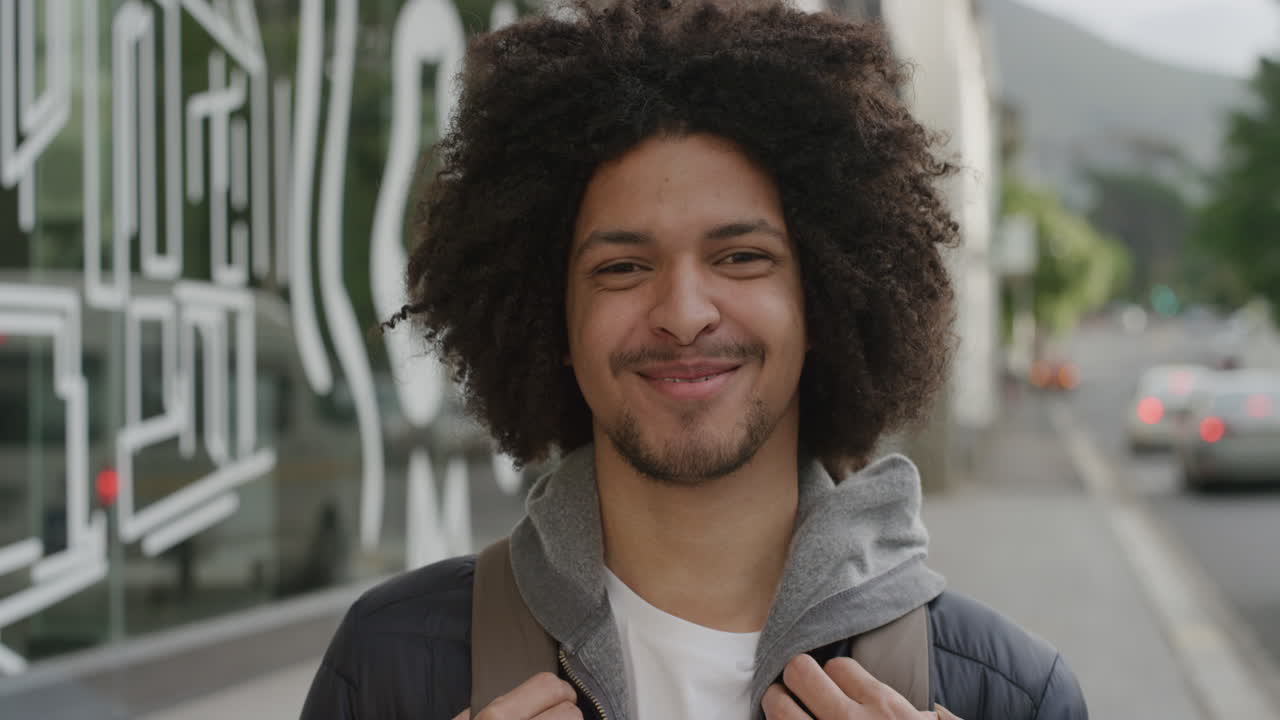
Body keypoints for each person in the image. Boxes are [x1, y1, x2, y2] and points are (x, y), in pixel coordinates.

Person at [301, 0, 1088, 717]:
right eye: (621, 268)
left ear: (823, 304)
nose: (682, 314)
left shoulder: (1011, 693)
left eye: (742, 258)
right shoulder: (388, 664)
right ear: (554, 323)